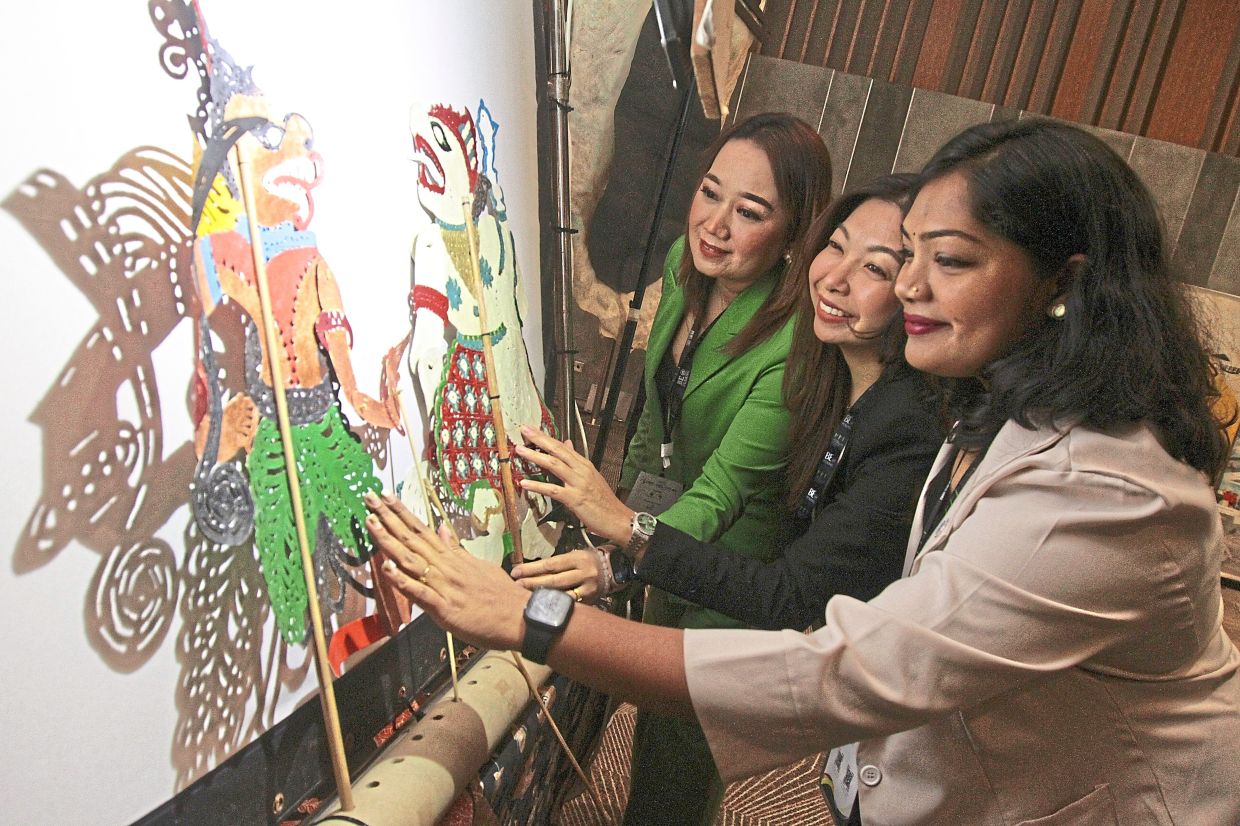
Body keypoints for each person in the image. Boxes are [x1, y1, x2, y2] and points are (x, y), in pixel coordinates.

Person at [366, 118, 1240, 824]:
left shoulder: (1106, 495)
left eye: (949, 261)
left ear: (1063, 284)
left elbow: (846, 662)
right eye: (908, 254)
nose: (904, 289)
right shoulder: (978, 403)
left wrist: (541, 612)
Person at [525, 112, 830, 824]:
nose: (715, 224)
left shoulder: (795, 339)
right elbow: (653, 420)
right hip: (658, 531)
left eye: (750, 211)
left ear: (795, 233)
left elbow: (724, 493)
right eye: (711, 192)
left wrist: (621, 556)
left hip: (731, 572)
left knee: (679, 766)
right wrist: (618, 514)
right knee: (645, 740)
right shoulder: (681, 264)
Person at [510, 175, 943, 635]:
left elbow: (786, 589)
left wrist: (625, 544)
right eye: (836, 246)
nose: (835, 279)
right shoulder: (827, 368)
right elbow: (655, 421)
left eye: (875, 269)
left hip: (758, 630)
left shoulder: (905, 425)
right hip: (698, 575)